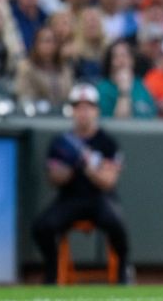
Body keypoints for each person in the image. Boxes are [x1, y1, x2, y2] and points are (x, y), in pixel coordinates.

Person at [32, 83, 130, 284]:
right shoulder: (62, 142)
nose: (83, 112)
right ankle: (52, 272)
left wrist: (89, 165)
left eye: (88, 106)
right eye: (78, 107)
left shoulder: (107, 142)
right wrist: (72, 166)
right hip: (70, 198)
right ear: (72, 110)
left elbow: (108, 182)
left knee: (117, 224)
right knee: (42, 227)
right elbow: (54, 178)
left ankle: (122, 273)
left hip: (99, 198)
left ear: (96, 110)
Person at [96, 39, 157, 119]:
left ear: (133, 60)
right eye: (116, 56)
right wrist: (124, 92)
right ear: (110, 62)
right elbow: (118, 124)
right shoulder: (102, 89)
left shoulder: (142, 85)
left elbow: (152, 115)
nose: (121, 60)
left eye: (125, 55)